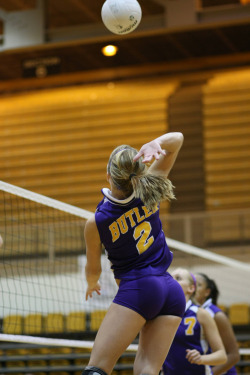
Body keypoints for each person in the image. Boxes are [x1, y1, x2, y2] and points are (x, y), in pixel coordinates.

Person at [82, 132, 186, 375]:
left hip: (139, 289)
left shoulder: (96, 222)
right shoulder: (150, 187)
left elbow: (93, 268)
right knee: (148, 369)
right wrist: (156, 143)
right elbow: (178, 139)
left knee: (96, 370)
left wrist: (92, 283)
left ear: (109, 176)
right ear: (138, 173)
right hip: (171, 290)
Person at [162, 268, 227, 375]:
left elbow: (222, 356)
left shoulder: (201, 314)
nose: (172, 281)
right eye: (170, 278)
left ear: (191, 288)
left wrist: (201, 358)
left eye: (178, 278)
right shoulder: (161, 315)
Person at [194, 273, 240, 375]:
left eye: (199, 285)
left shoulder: (217, 315)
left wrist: (210, 373)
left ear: (207, 292)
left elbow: (234, 355)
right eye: (193, 283)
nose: (195, 287)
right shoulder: (189, 312)